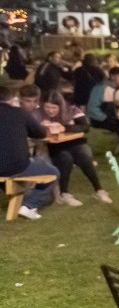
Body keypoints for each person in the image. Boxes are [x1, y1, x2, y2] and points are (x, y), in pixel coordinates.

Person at [39, 91, 111, 205]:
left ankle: (99, 190)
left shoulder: (71, 110)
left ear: (60, 106)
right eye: (47, 107)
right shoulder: (39, 114)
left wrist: (64, 127)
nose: (50, 110)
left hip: (74, 143)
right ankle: (64, 193)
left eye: (54, 107)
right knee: (65, 158)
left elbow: (85, 126)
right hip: (54, 146)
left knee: (84, 155)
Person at [0, 85, 56, 219]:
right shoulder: (19, 113)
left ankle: (22, 199)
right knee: (53, 172)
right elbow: (40, 133)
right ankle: (29, 206)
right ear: (11, 99)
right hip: (17, 165)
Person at [87, 65, 119, 155]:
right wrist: (105, 117)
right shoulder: (100, 89)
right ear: (112, 77)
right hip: (99, 119)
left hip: (113, 117)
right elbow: (92, 108)